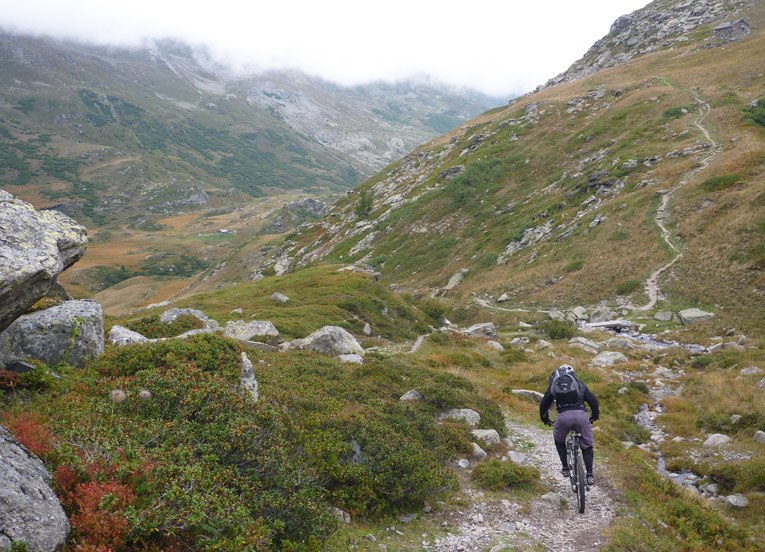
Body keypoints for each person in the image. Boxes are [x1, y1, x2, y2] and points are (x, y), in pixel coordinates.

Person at [539, 364, 599, 485]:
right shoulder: (579, 384)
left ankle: (565, 468)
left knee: (559, 440)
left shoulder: (555, 385)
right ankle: (590, 475)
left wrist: (545, 419)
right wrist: (594, 416)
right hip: (581, 416)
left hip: (563, 418)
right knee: (587, 446)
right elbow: (593, 401)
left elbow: (544, 405)